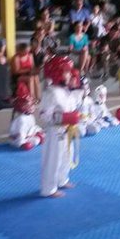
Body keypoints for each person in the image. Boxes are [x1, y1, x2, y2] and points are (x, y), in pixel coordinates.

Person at [39, 56, 81, 198]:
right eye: (66, 72)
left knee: (66, 156)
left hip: (67, 131)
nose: (70, 74)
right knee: (53, 159)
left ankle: (62, 179)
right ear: (57, 73)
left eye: (69, 71)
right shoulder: (51, 93)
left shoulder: (66, 91)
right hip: (55, 132)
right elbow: (44, 116)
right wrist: (64, 118)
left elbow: (73, 106)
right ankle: (48, 188)